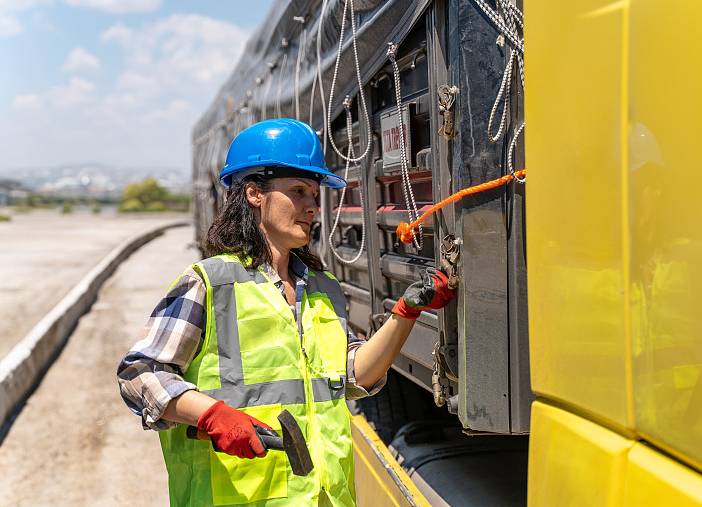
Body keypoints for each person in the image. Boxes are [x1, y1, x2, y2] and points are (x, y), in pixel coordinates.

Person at [117, 118, 455, 507]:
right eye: (298, 191)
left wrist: (405, 312)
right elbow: (139, 374)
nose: (312, 206)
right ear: (254, 193)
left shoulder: (322, 288)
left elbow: (356, 376)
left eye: (314, 194)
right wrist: (211, 414)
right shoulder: (210, 284)